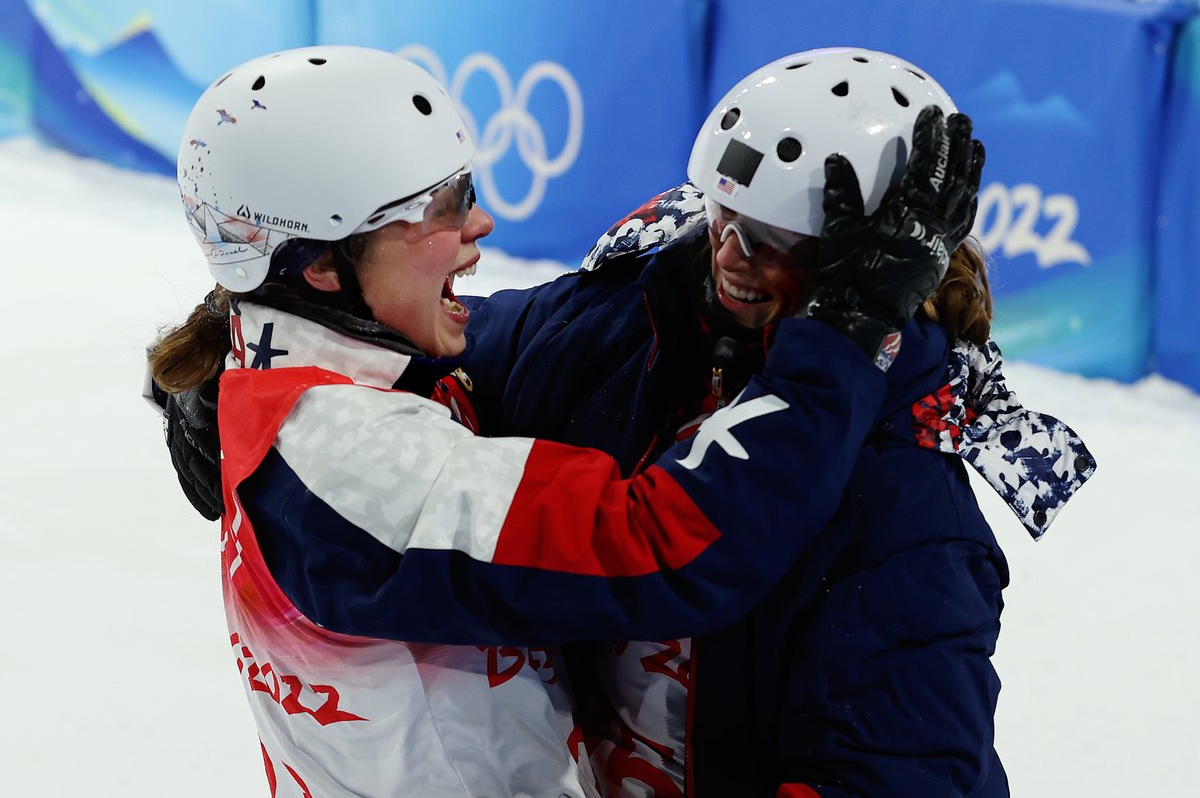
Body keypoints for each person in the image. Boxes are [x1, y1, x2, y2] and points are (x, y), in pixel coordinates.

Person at [148, 46, 981, 797]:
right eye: (440, 205)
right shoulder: (355, 457)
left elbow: (901, 768)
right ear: (323, 266)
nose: (480, 226)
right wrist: (844, 334)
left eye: (770, 236)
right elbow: (659, 542)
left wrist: (221, 361)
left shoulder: (903, 497)